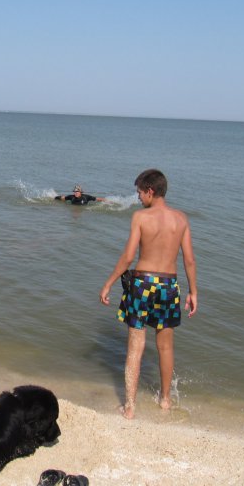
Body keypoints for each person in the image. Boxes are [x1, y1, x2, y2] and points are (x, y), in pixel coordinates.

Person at [98, 169, 197, 419]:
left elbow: (128, 257)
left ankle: (130, 406)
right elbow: (189, 260)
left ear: (150, 191)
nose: (139, 197)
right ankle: (165, 400)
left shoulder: (140, 217)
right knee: (165, 347)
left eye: (140, 193)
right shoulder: (181, 219)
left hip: (142, 284)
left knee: (135, 346)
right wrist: (193, 292)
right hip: (169, 285)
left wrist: (109, 282)